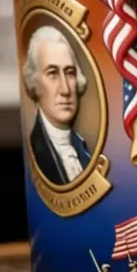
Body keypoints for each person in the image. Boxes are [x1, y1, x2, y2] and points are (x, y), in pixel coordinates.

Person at [23, 25, 92, 185]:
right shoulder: (36, 150)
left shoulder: (83, 150)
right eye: (52, 73)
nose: (65, 89)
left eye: (70, 73)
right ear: (35, 81)